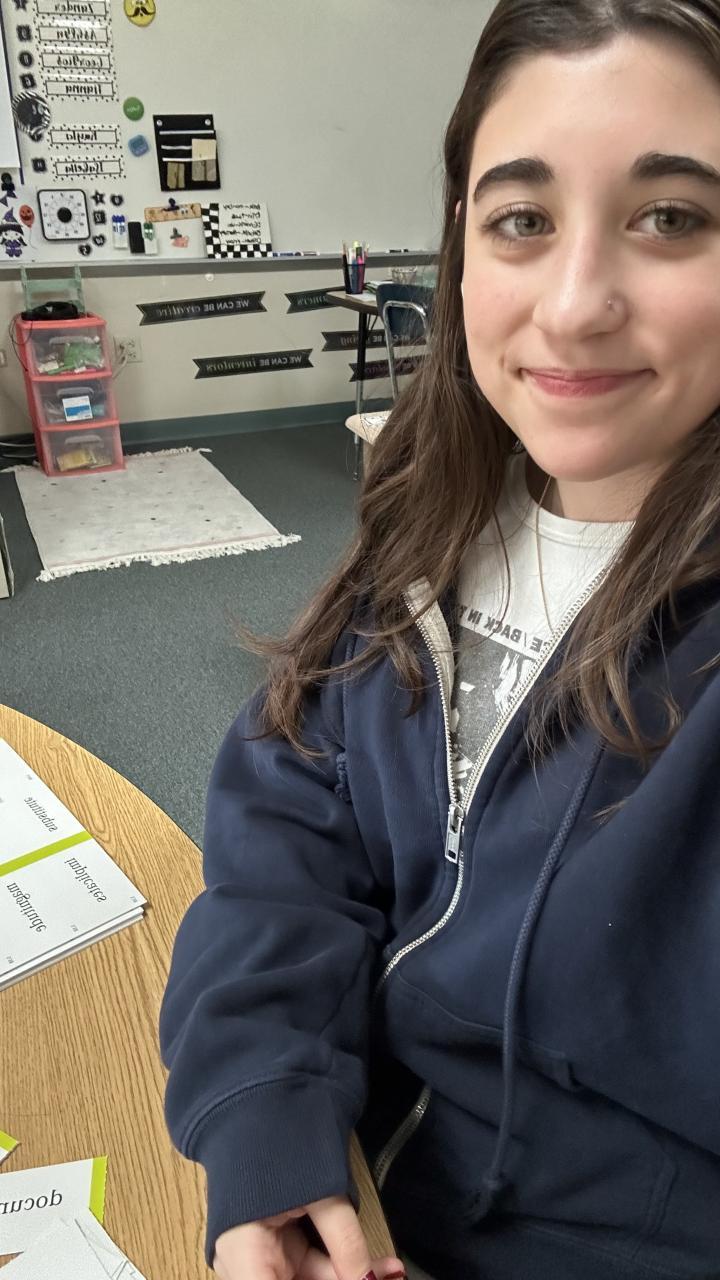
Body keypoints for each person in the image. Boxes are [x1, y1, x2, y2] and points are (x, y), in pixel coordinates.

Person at [159, 2, 720, 1276]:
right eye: (523, 219)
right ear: (462, 239)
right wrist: (267, 1114)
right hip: (368, 1184)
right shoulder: (437, 519)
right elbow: (293, 832)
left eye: (670, 217)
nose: (573, 307)